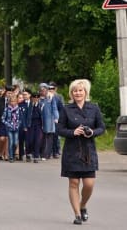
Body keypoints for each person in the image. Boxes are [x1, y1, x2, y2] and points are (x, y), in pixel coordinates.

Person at [57, 79, 105, 225]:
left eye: (80, 90)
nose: (77, 93)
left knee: (89, 184)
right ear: (71, 93)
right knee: (73, 183)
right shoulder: (66, 109)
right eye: (75, 91)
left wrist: (92, 132)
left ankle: (83, 205)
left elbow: (101, 127)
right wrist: (73, 132)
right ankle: (77, 214)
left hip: (88, 150)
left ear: (85, 92)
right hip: (72, 150)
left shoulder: (94, 108)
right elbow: (59, 129)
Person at [1, 95, 22, 163]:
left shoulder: (19, 109)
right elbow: (3, 119)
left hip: (16, 128)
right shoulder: (7, 109)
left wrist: (18, 125)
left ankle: (13, 153)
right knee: (11, 142)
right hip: (9, 128)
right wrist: (8, 124)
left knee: (15, 143)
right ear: (9, 102)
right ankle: (11, 157)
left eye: (14, 101)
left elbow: (21, 119)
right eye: (11, 101)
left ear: (16, 102)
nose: (13, 103)